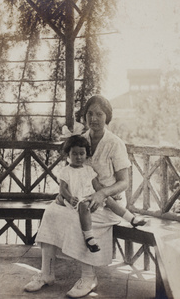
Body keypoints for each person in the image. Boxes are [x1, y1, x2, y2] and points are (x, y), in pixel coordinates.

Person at [24, 94, 146, 298]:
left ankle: (88, 277)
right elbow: (71, 171)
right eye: (90, 113)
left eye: (99, 114)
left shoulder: (115, 143)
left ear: (107, 117)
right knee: (52, 212)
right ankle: (46, 274)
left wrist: (101, 194)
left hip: (109, 203)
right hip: (82, 198)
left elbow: (124, 182)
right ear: (85, 116)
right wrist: (64, 195)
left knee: (77, 219)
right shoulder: (81, 139)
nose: (94, 118)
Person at [58, 134, 146, 253]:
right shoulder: (66, 171)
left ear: (86, 155)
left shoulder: (89, 170)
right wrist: (69, 198)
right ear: (68, 154)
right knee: (84, 205)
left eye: (82, 154)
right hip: (77, 200)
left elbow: (97, 186)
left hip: (92, 197)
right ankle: (89, 237)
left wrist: (108, 195)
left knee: (108, 199)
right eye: (74, 154)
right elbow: (62, 189)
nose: (78, 157)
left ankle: (131, 218)